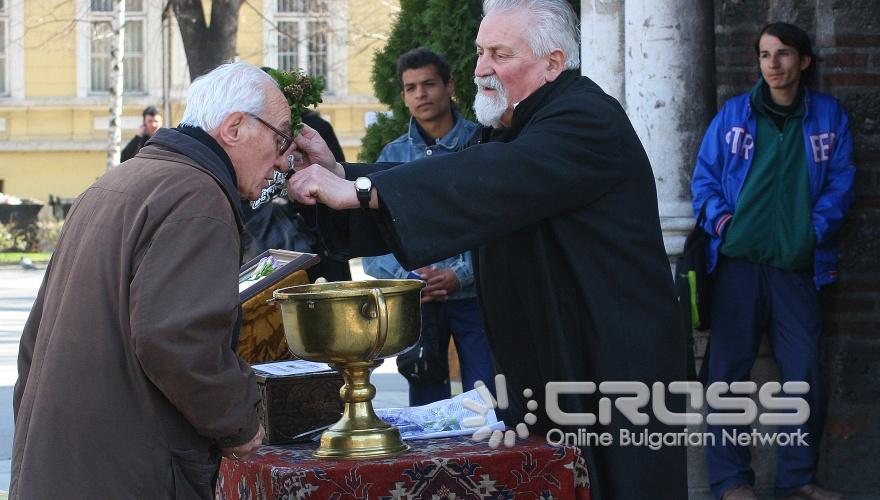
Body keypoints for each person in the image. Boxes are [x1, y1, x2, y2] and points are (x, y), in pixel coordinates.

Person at [286, 1, 687, 498]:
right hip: (560, 359)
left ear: (553, 63)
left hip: (613, 363)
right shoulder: (519, 122)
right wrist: (340, 174)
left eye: (500, 53)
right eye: (480, 52)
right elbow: (458, 171)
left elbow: (489, 179)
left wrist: (364, 191)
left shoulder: (585, 117)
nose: (480, 68)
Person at [10, 61, 297, 498]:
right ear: (234, 127)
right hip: (128, 471)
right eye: (280, 138)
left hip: (60, 463)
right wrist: (239, 421)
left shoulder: (116, 183)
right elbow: (178, 339)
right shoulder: (197, 196)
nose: (282, 159)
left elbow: (33, 341)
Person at [692, 22, 855, 500]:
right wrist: (724, 226)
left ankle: (799, 479)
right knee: (726, 376)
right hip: (737, 266)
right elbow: (703, 179)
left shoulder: (828, 117)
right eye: (764, 54)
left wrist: (811, 232)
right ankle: (730, 480)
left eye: (783, 54)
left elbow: (842, 182)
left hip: (798, 267)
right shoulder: (734, 115)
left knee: (804, 371)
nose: (773, 64)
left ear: (803, 61)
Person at [362, 48, 492, 405]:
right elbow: (373, 244)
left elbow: (498, 224)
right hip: (418, 305)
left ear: (449, 86)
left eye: (429, 83)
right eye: (411, 87)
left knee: (488, 401)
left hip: (476, 300)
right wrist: (409, 277)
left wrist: (460, 274)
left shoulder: (482, 143)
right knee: (426, 407)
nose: (420, 94)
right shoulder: (391, 158)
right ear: (403, 96)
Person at [239, 106, 352, 282]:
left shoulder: (310, 129)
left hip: (316, 239)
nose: (283, 163)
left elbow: (337, 184)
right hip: (260, 241)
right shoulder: (247, 130)